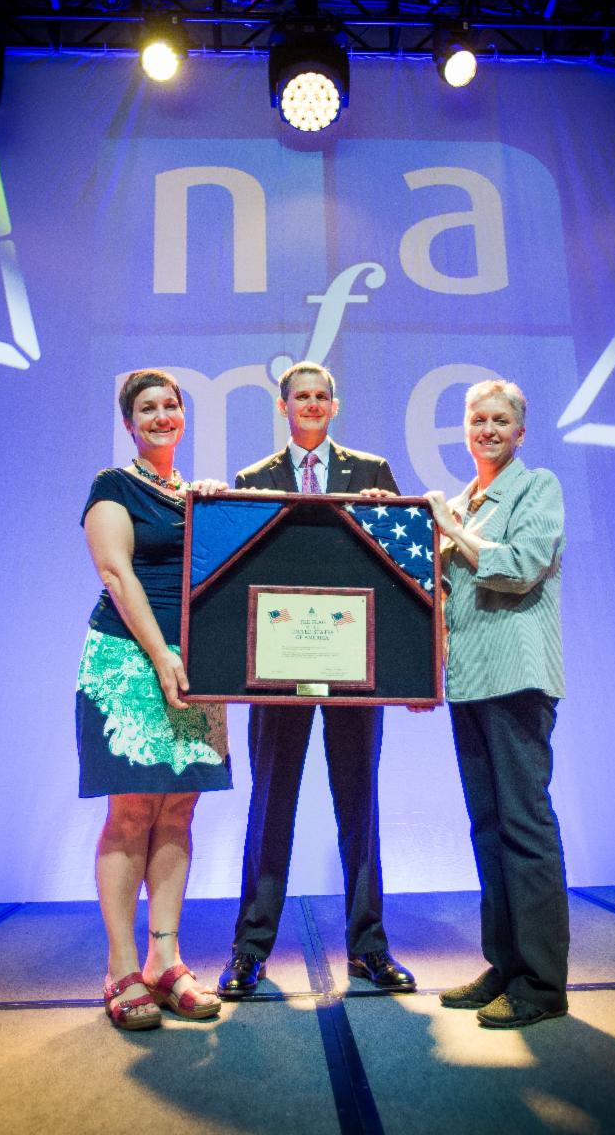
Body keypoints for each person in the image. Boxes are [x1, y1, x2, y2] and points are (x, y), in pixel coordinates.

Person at [218, 360, 416, 997]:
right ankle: (249, 951)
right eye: (299, 396)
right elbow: (241, 572)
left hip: (353, 667)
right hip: (278, 668)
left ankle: (369, 948)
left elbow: (400, 566)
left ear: (335, 405)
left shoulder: (373, 472)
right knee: (270, 804)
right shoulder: (253, 479)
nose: (310, 404)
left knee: (360, 803)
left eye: (320, 396)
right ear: (283, 407)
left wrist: (389, 517)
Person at [77, 368, 230, 1030]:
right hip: (129, 660)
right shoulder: (113, 486)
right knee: (132, 812)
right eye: (148, 408)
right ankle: (121, 969)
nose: (162, 415)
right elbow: (116, 573)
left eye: (171, 405)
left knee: (179, 811)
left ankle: (165, 960)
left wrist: (218, 511)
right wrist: (160, 652)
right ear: (129, 423)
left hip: (194, 664)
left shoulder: (193, 495)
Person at [423, 378, 569, 1030]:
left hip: (516, 679)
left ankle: (540, 984)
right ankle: (506, 965)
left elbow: (521, 566)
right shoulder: (459, 503)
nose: (488, 429)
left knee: (525, 827)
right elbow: (439, 593)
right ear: (465, 429)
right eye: (478, 419)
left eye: (500, 420)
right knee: (488, 828)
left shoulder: (538, 488)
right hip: (469, 682)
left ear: (520, 432)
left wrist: (453, 531)